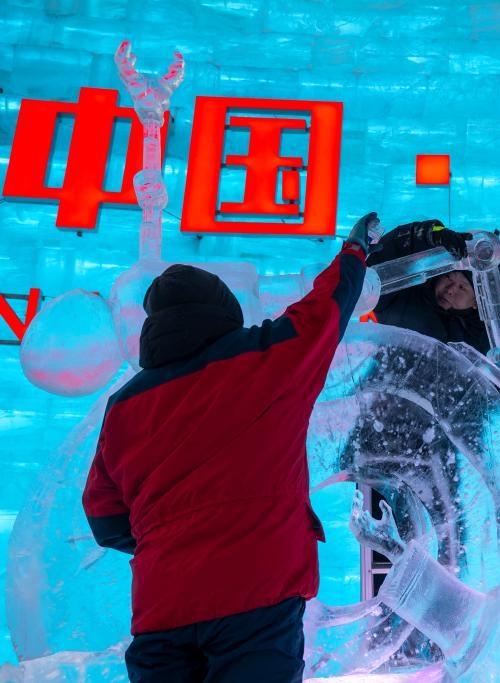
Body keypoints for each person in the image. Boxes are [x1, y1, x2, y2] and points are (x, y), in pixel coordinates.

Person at [81, 213, 377, 682]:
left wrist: (170, 543)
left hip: (162, 609)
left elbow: (102, 517)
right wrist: (355, 253)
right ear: (225, 313)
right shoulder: (265, 359)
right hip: (256, 593)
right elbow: (327, 309)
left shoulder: (125, 405)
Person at [367, 218, 488, 354]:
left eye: (462, 287)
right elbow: (376, 269)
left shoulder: (481, 333)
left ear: (476, 302)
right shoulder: (402, 299)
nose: (450, 290)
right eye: (448, 278)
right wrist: (430, 235)